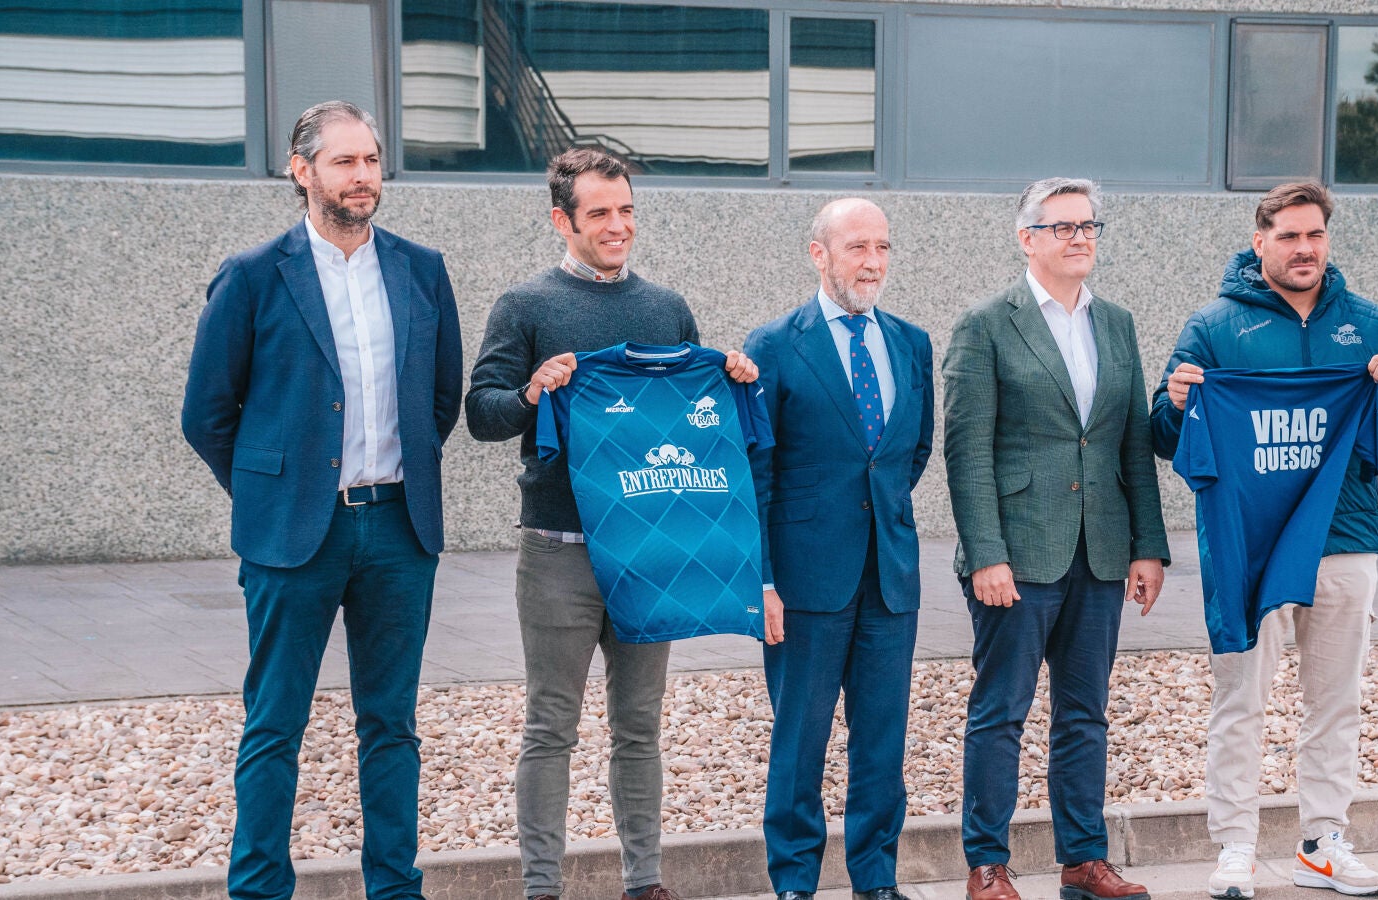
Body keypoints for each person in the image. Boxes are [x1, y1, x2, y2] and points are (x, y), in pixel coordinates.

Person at [181, 100, 462, 900]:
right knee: (274, 724)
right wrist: (275, 492)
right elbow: (207, 415)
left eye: (371, 159)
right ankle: (259, 889)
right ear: (300, 170)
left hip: (400, 530)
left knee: (392, 725)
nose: (363, 175)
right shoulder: (252, 275)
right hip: (293, 536)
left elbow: (439, 400)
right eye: (344, 161)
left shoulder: (422, 270)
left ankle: (395, 888)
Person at [464, 147, 756, 900]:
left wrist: (731, 381)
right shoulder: (525, 306)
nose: (618, 225)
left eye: (626, 210)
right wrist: (532, 392)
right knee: (550, 725)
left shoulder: (667, 309)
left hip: (649, 548)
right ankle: (541, 889)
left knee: (640, 724)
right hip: (558, 552)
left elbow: (690, 418)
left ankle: (645, 883)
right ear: (562, 220)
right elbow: (481, 414)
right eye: (599, 213)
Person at [1150, 181, 1378, 899]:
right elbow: (1163, 435)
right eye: (1289, 236)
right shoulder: (1214, 326)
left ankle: (1323, 842)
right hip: (1248, 546)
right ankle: (1235, 846)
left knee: (1335, 699)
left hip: (1343, 540)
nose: (1304, 248)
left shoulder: (1370, 324)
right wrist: (1178, 402)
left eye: (1315, 235)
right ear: (1260, 243)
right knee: (1240, 699)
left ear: (1327, 240)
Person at [943, 178, 1169, 900]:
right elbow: (966, 451)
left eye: (1089, 225)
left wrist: (1147, 545)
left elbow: (1132, 441)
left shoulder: (1117, 323)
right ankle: (987, 864)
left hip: (1100, 550)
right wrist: (987, 554)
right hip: (1017, 554)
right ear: (1027, 238)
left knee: (1085, 714)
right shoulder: (986, 323)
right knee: (1000, 713)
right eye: (1063, 226)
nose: (1080, 238)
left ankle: (1083, 860)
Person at [743, 199, 935, 900]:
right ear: (819, 254)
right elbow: (755, 473)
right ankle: (794, 881)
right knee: (801, 739)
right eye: (857, 247)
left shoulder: (912, 343)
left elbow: (910, 453)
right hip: (805, 581)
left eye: (882, 247)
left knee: (882, 741)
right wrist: (763, 580)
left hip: (890, 576)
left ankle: (875, 880)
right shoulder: (772, 345)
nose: (873, 262)